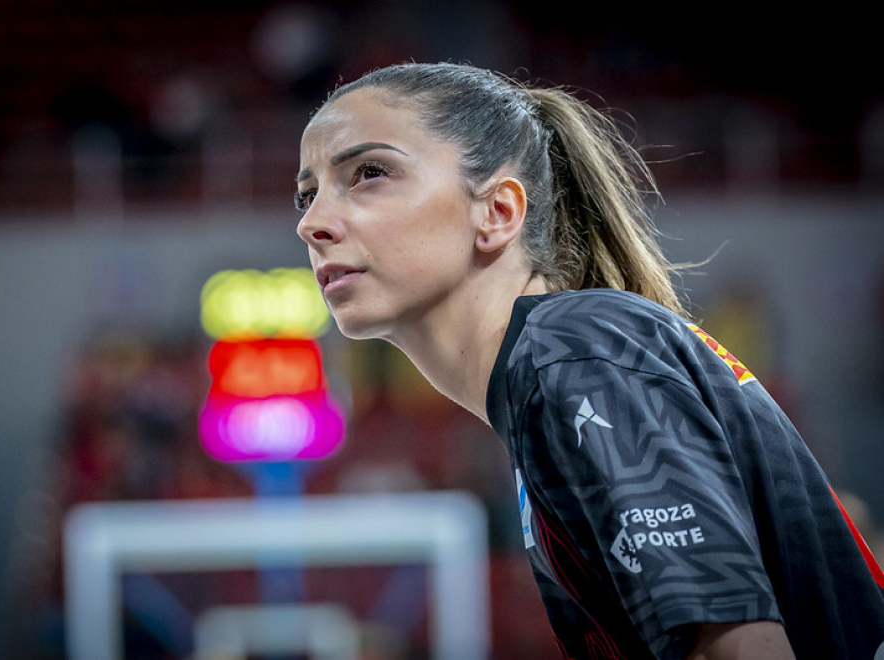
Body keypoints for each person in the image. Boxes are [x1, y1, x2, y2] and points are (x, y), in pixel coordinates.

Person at [293, 62, 884, 659]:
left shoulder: (574, 353)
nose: (311, 223)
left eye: (369, 173)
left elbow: (738, 650)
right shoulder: (563, 361)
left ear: (498, 212)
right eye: (307, 194)